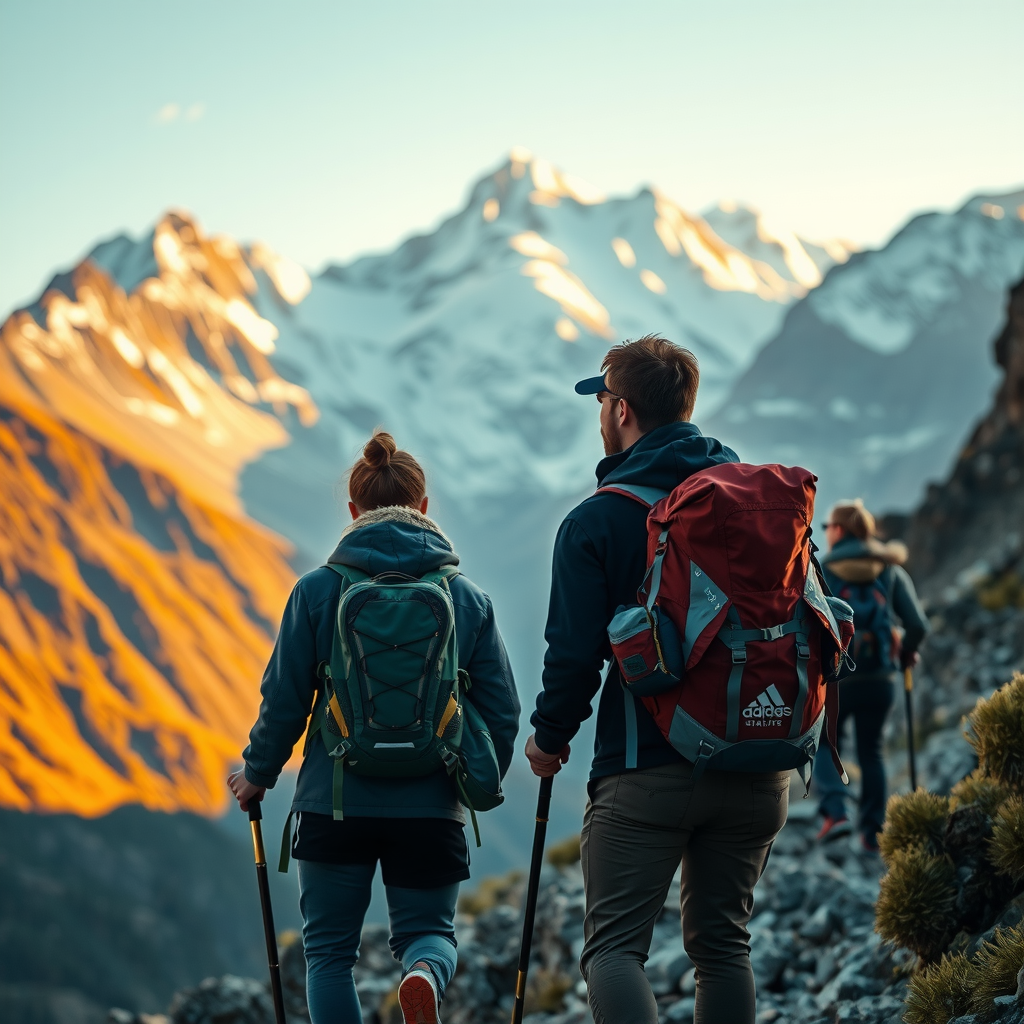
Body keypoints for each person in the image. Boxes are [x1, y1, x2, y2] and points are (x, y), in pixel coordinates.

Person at [524, 335, 791, 1024]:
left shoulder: (597, 519)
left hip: (648, 768)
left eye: (603, 401)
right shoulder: (757, 504)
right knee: (725, 948)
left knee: (613, 952)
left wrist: (548, 739)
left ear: (618, 410)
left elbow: (574, 655)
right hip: (759, 756)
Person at [228, 431, 520, 1024]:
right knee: (429, 934)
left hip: (334, 804)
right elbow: (502, 709)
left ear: (354, 513)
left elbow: (284, 698)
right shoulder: (466, 599)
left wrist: (257, 773)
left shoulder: (316, 591)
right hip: (431, 803)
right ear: (425, 510)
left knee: (329, 954)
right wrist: (473, 775)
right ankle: (421, 976)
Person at [813, 498, 928, 853]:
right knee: (871, 751)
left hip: (838, 678)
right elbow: (917, 624)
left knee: (824, 743)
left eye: (828, 527)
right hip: (881, 679)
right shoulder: (889, 569)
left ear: (840, 530)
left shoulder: (822, 569)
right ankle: (873, 833)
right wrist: (907, 649)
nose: (827, 533)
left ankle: (836, 813)